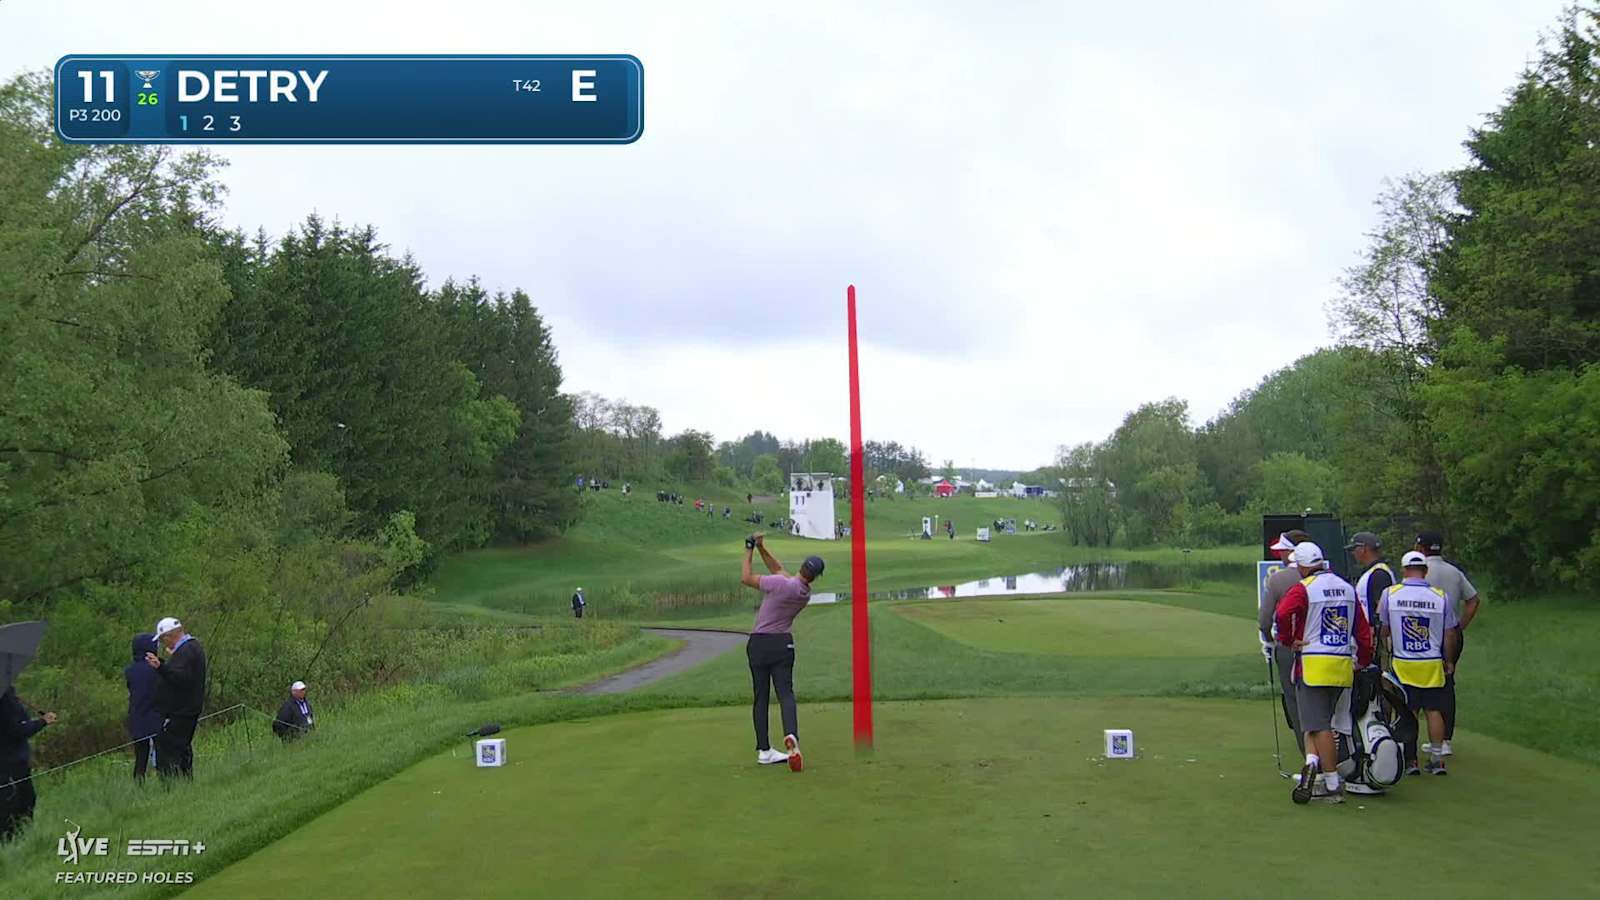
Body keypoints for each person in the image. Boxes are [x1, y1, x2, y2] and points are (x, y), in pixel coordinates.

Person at [1274, 541, 1373, 805]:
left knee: (1319, 726)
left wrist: (1288, 638)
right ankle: (1312, 765)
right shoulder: (1347, 587)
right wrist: (1363, 659)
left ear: (1303, 566)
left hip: (1314, 665)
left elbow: (1283, 613)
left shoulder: (1304, 588)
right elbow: (1362, 631)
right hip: (1341, 665)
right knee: (1315, 723)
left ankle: (1331, 782)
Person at [740, 533, 823, 772]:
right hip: (783, 645)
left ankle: (764, 751)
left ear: (801, 567)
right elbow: (778, 569)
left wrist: (749, 548)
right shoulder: (803, 594)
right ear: (815, 577)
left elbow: (746, 577)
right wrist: (762, 548)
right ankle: (791, 736)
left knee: (761, 697)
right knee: (786, 694)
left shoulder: (779, 584)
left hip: (758, 644)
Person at [1378, 552, 1459, 775]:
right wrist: (1448, 660)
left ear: (1404, 570)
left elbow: (1383, 629)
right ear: (1425, 570)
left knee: (1408, 711)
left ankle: (1411, 760)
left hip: (1403, 663)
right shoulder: (1440, 596)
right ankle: (1436, 758)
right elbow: (1450, 633)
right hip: (1431, 662)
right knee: (1434, 710)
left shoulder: (1390, 594)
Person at [1415, 530, 1480, 757]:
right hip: (1451, 632)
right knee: (1447, 684)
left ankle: (1413, 739)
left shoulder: (1419, 572)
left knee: (1419, 688)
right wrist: (1460, 626)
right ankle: (1445, 741)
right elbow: (1473, 600)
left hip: (1424, 634)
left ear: (1420, 548)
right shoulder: (1454, 571)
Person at [1260, 529, 1314, 737]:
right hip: (1323, 646)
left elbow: (1265, 620)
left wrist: (1270, 641)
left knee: (1295, 701)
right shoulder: (1329, 575)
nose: (1279, 555)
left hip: (1289, 646)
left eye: (1282, 550)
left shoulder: (1278, 579)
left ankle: (1311, 757)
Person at [145, 616, 207, 780]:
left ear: (168, 636)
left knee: (168, 746)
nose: (164, 644)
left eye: (163, 640)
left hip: (182, 710)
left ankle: (172, 783)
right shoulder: (193, 647)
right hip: (189, 708)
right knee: (182, 746)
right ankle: (186, 780)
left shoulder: (185, 652)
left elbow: (182, 678)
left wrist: (161, 667)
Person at [0, 686, 56, 843]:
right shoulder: (5, 700)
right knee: (14, 805)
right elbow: (17, 730)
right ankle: (11, 843)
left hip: (15, 760)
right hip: (9, 762)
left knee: (26, 801)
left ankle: (21, 842)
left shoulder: (9, 694)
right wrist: (42, 722)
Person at [123, 632, 162, 782]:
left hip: (136, 716)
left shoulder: (130, 671)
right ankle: (166, 781)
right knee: (162, 752)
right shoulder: (154, 669)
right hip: (154, 715)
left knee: (141, 757)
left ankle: (139, 783)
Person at [1346, 532, 1394, 628]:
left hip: (1374, 635)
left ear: (1364, 549)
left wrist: (1378, 635)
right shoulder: (1373, 571)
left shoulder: (1379, 573)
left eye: (1354, 548)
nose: (1353, 553)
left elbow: (1382, 609)